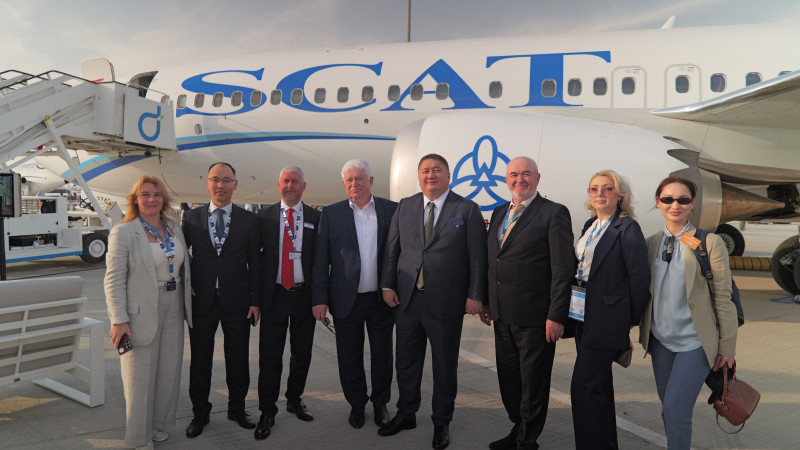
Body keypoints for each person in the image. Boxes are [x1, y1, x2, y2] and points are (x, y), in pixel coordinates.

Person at [379, 153, 488, 450]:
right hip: (407, 301)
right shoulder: (405, 206)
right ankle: (406, 413)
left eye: (437, 170)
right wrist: (387, 285)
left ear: (448, 176)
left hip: (446, 303)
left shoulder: (466, 209)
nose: (431, 175)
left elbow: (477, 258)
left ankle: (441, 422)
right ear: (419, 177)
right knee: (406, 363)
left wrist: (475, 295)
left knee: (444, 366)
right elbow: (392, 250)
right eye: (425, 170)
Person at [639, 176, 737, 450]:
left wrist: (727, 346)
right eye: (668, 199)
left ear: (692, 204)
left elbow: (723, 296)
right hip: (661, 341)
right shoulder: (651, 244)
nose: (675, 205)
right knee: (669, 410)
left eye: (683, 200)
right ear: (658, 202)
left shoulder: (709, 243)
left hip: (695, 342)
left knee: (676, 410)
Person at [485, 157, 574, 450]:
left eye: (526, 174)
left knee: (533, 383)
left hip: (536, 318)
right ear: (506, 179)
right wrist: (487, 301)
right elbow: (494, 260)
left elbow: (562, 270)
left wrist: (556, 315)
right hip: (502, 315)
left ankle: (527, 441)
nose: (519, 179)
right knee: (509, 380)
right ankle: (518, 428)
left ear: (537, 178)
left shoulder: (553, 213)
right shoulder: (499, 212)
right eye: (513, 174)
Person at [104, 175, 193, 449]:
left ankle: (158, 425)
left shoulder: (173, 227)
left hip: (174, 304)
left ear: (164, 199)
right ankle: (138, 438)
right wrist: (119, 319)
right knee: (138, 377)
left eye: (156, 194)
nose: (152, 199)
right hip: (140, 311)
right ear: (135, 200)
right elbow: (113, 279)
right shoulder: (123, 232)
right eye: (145, 194)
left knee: (168, 372)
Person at [311, 159, 397, 429]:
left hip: (381, 299)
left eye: (359, 178)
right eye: (349, 180)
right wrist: (319, 299)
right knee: (349, 356)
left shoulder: (391, 210)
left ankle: (381, 403)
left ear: (370, 181)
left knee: (382, 355)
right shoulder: (331, 213)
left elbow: (399, 253)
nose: (354, 183)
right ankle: (357, 404)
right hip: (345, 299)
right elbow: (321, 259)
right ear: (344, 183)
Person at [570, 170, 650, 449]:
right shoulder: (591, 224)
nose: (600, 194)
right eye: (594, 189)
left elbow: (639, 279)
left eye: (607, 188)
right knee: (599, 387)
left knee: (583, 387)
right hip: (582, 314)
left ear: (620, 195)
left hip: (606, 319)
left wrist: (627, 318)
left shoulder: (627, 228)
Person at [182, 162, 262, 438]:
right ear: (207, 182)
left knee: (238, 359)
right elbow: (180, 257)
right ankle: (200, 413)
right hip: (201, 302)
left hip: (238, 303)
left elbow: (256, 264)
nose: (221, 185)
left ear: (235, 184)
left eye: (227, 180)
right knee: (200, 361)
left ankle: (237, 408)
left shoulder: (249, 220)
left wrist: (255, 301)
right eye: (215, 179)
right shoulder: (191, 218)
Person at [255, 166, 320, 440]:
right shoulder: (264, 217)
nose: (290, 186)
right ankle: (267, 410)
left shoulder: (316, 218)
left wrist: (321, 299)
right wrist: (255, 300)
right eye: (286, 181)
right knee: (270, 356)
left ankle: (294, 399)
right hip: (275, 296)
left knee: (301, 354)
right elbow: (255, 262)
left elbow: (321, 261)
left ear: (304, 186)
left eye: (295, 181)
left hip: (304, 296)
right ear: (278, 184)